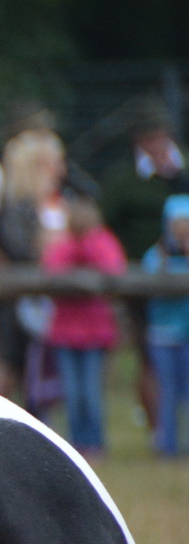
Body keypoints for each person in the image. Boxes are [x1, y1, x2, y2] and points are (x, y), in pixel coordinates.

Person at [101, 100, 189, 433]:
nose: (157, 143)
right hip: (143, 279)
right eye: (150, 137)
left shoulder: (183, 171)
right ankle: (160, 430)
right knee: (150, 354)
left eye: (162, 135)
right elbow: (106, 223)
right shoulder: (124, 180)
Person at [42, 197, 129, 458]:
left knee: (91, 392)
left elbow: (114, 268)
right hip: (65, 331)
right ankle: (76, 444)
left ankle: (95, 442)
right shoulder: (62, 245)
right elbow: (51, 269)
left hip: (95, 331)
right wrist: (75, 251)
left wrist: (88, 248)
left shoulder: (104, 242)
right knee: (72, 392)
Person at [0, 128, 70, 407]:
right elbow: (19, 249)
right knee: (12, 364)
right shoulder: (15, 208)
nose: (61, 170)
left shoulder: (63, 202)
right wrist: (50, 245)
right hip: (21, 300)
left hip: (55, 298)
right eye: (54, 162)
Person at [142, 195, 189, 455]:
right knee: (167, 391)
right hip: (163, 335)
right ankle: (167, 446)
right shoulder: (156, 254)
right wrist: (164, 259)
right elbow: (150, 278)